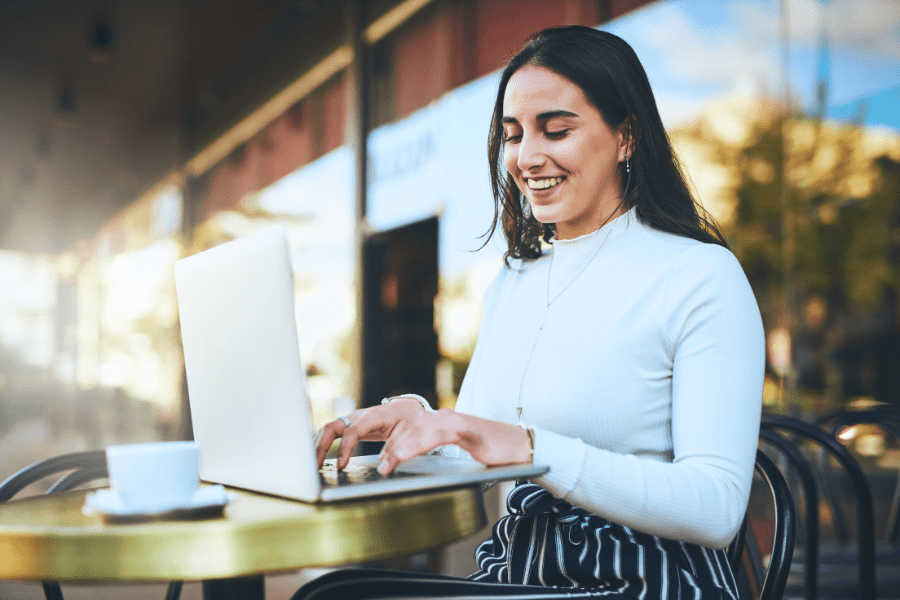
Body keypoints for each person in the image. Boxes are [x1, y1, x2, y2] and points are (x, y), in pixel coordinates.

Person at [293, 25, 764, 600]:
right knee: (336, 591)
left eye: (557, 130)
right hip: (523, 569)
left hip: (644, 575)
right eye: (513, 135)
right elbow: (481, 443)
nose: (527, 157)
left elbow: (716, 510)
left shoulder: (699, 277)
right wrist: (417, 422)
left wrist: (534, 448)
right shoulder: (515, 280)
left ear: (626, 137)